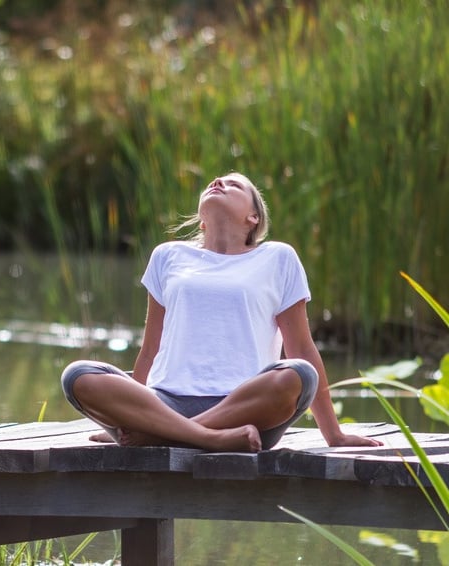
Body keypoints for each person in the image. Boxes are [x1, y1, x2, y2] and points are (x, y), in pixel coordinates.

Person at [61, 172, 383, 452]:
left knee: (300, 374)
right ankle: (206, 437)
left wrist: (334, 435)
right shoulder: (168, 256)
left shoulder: (278, 258)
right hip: (167, 403)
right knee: (78, 376)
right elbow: (150, 350)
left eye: (234, 185)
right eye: (215, 183)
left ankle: (164, 436)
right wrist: (129, 412)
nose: (218, 183)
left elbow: (301, 346)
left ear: (253, 218)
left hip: (247, 409)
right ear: (201, 219)